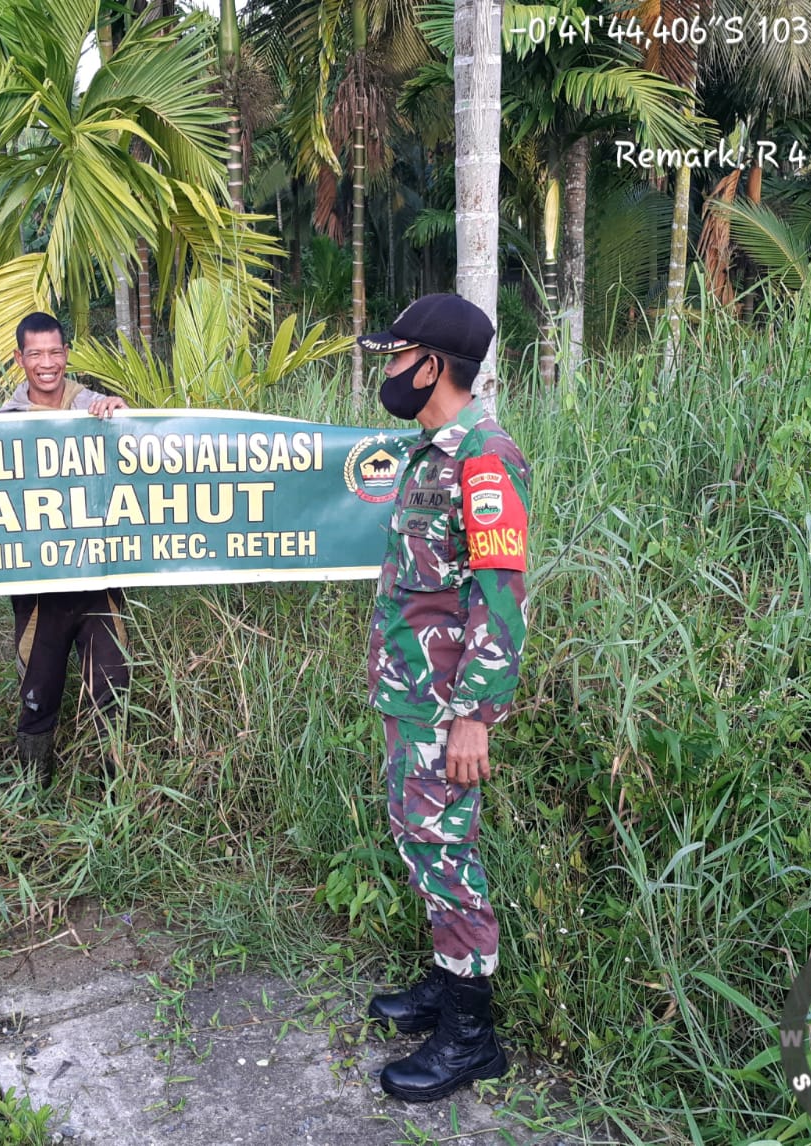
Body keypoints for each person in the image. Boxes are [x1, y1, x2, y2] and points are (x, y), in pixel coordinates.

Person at [356, 294, 530, 1102]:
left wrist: (473, 718)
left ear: (431, 366)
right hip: (411, 696)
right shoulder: (431, 454)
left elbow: (502, 596)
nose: (389, 370)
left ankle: (471, 1039)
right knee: (420, 840)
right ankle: (445, 975)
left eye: (397, 356)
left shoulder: (484, 459)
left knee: (446, 851)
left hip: (446, 708)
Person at [0, 312, 129, 784]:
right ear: (20, 359)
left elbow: (138, 455)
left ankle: (118, 793)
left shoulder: (94, 406)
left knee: (113, 690)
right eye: (36, 354)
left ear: (66, 355)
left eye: (55, 352)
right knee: (38, 695)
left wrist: (121, 412)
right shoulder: (1, 425)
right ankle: (34, 795)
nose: (47, 363)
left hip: (98, 584)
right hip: (39, 590)